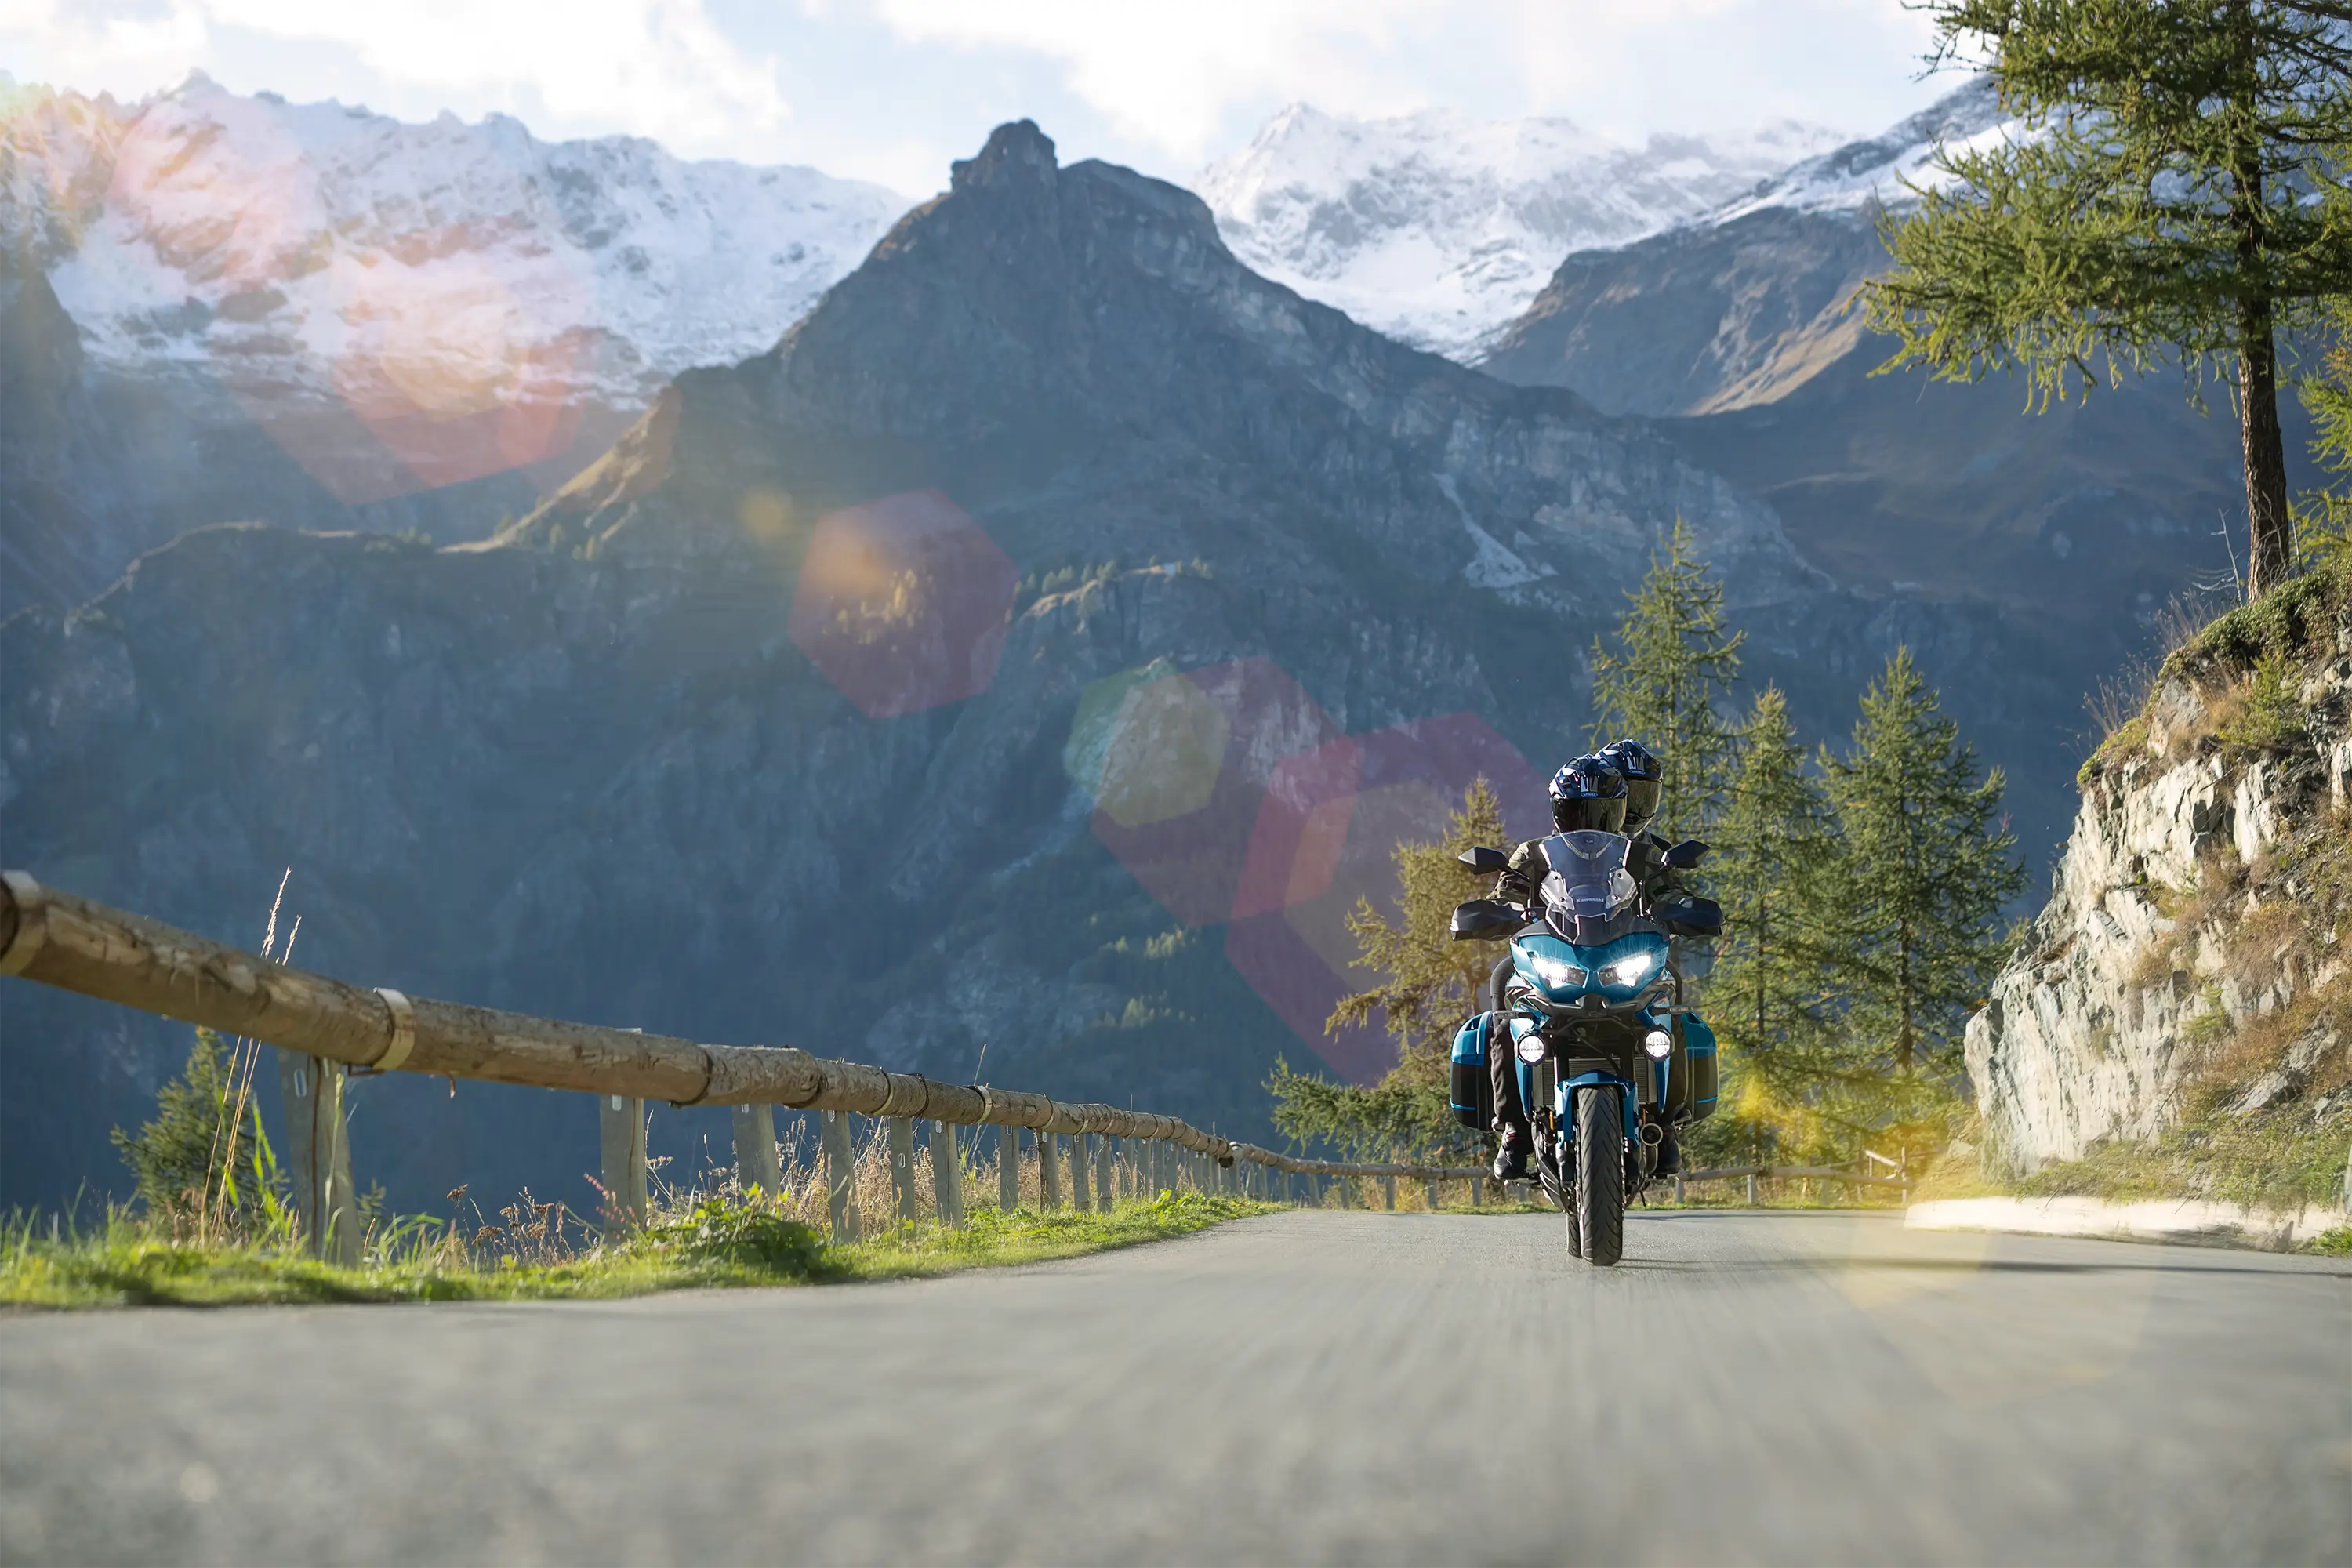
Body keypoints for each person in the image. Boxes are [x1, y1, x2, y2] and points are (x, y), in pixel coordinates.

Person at [1487, 757, 1627, 1180]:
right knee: (1503, 989)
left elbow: (1665, 890)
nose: (1589, 822)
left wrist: (1678, 907)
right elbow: (1504, 894)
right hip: (1556, 954)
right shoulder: (1533, 853)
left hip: (1618, 954)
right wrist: (1502, 910)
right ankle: (1513, 1127)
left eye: (1600, 812)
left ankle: (1668, 1122)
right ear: (1559, 812)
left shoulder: (1634, 855)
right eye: (1577, 811)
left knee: (1668, 988)